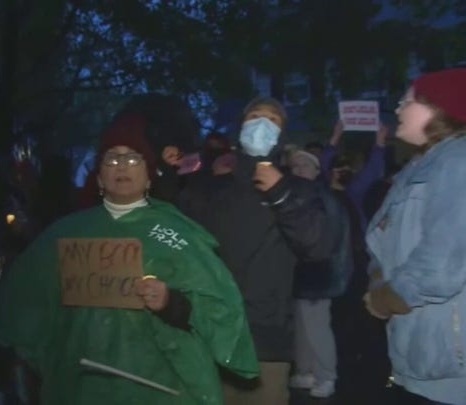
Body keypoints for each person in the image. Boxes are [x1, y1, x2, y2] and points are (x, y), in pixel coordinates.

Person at [0, 112, 259, 405]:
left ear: (149, 176)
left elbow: (215, 307)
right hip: (81, 385)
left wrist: (171, 303)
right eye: (112, 159)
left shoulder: (176, 233)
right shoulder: (63, 234)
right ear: (99, 178)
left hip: (161, 383)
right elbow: (23, 304)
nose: (122, 166)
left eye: (133, 159)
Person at [178, 97, 333, 405]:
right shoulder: (208, 190)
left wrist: (279, 193)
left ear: (282, 136)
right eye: (256, 116)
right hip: (210, 333)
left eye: (273, 120)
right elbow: (183, 251)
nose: (263, 124)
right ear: (240, 128)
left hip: (265, 339)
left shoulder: (298, 191)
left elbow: (317, 246)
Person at [363, 68, 466, 405]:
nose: (397, 109)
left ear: (439, 108)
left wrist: (385, 299)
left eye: (406, 101)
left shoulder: (457, 162)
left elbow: (441, 266)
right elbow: (383, 244)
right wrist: (378, 276)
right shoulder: (420, 167)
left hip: (452, 366)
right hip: (423, 352)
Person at [287, 150, 353, 399]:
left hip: (319, 275)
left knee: (316, 327)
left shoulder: (323, 197)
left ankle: (327, 375)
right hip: (301, 275)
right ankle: (306, 372)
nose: (299, 168)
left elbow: (329, 242)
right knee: (302, 329)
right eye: (295, 165)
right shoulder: (295, 195)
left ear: (317, 171)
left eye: (306, 164)